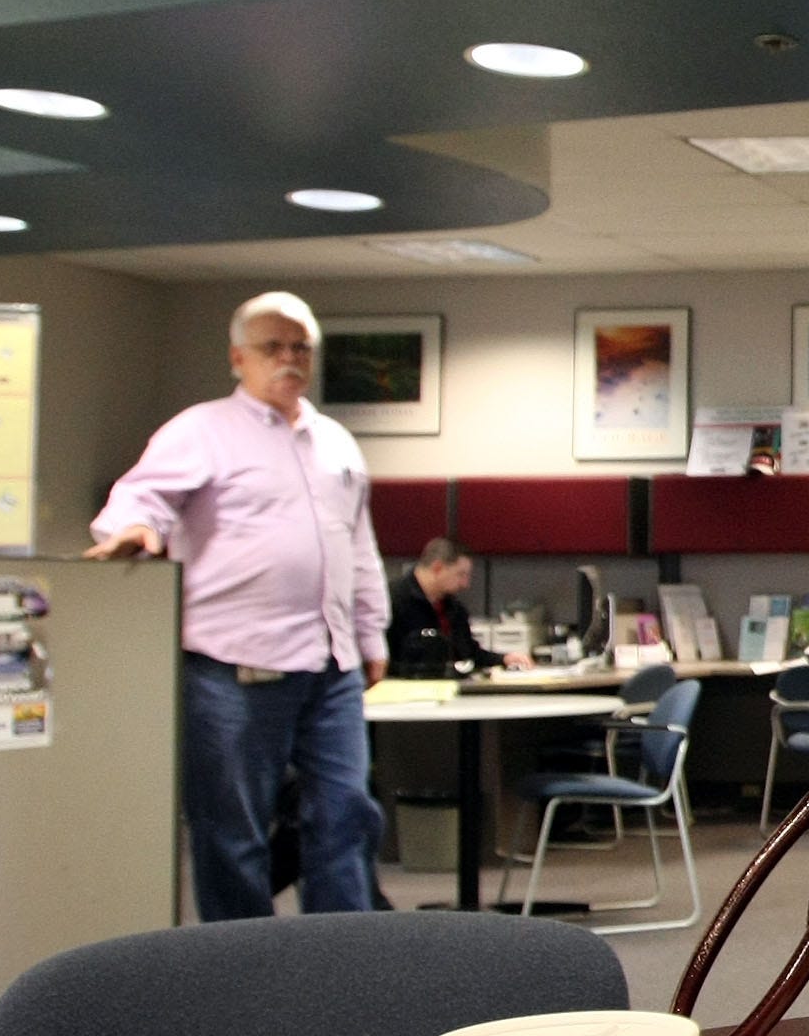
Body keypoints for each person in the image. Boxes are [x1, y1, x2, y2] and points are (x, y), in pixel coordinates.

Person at [87, 292, 390, 922]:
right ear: (237, 358)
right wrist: (137, 532)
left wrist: (372, 635)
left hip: (330, 666)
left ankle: (348, 958)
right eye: (272, 347)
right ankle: (240, 966)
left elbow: (357, 544)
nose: (289, 359)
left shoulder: (334, 442)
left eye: (300, 347)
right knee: (233, 829)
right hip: (233, 665)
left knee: (345, 816)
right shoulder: (201, 430)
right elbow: (141, 498)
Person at [387, 537, 532, 677]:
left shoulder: (453, 609)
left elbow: (468, 654)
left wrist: (504, 659)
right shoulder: (391, 602)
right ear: (438, 568)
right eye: (461, 575)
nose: (465, 584)